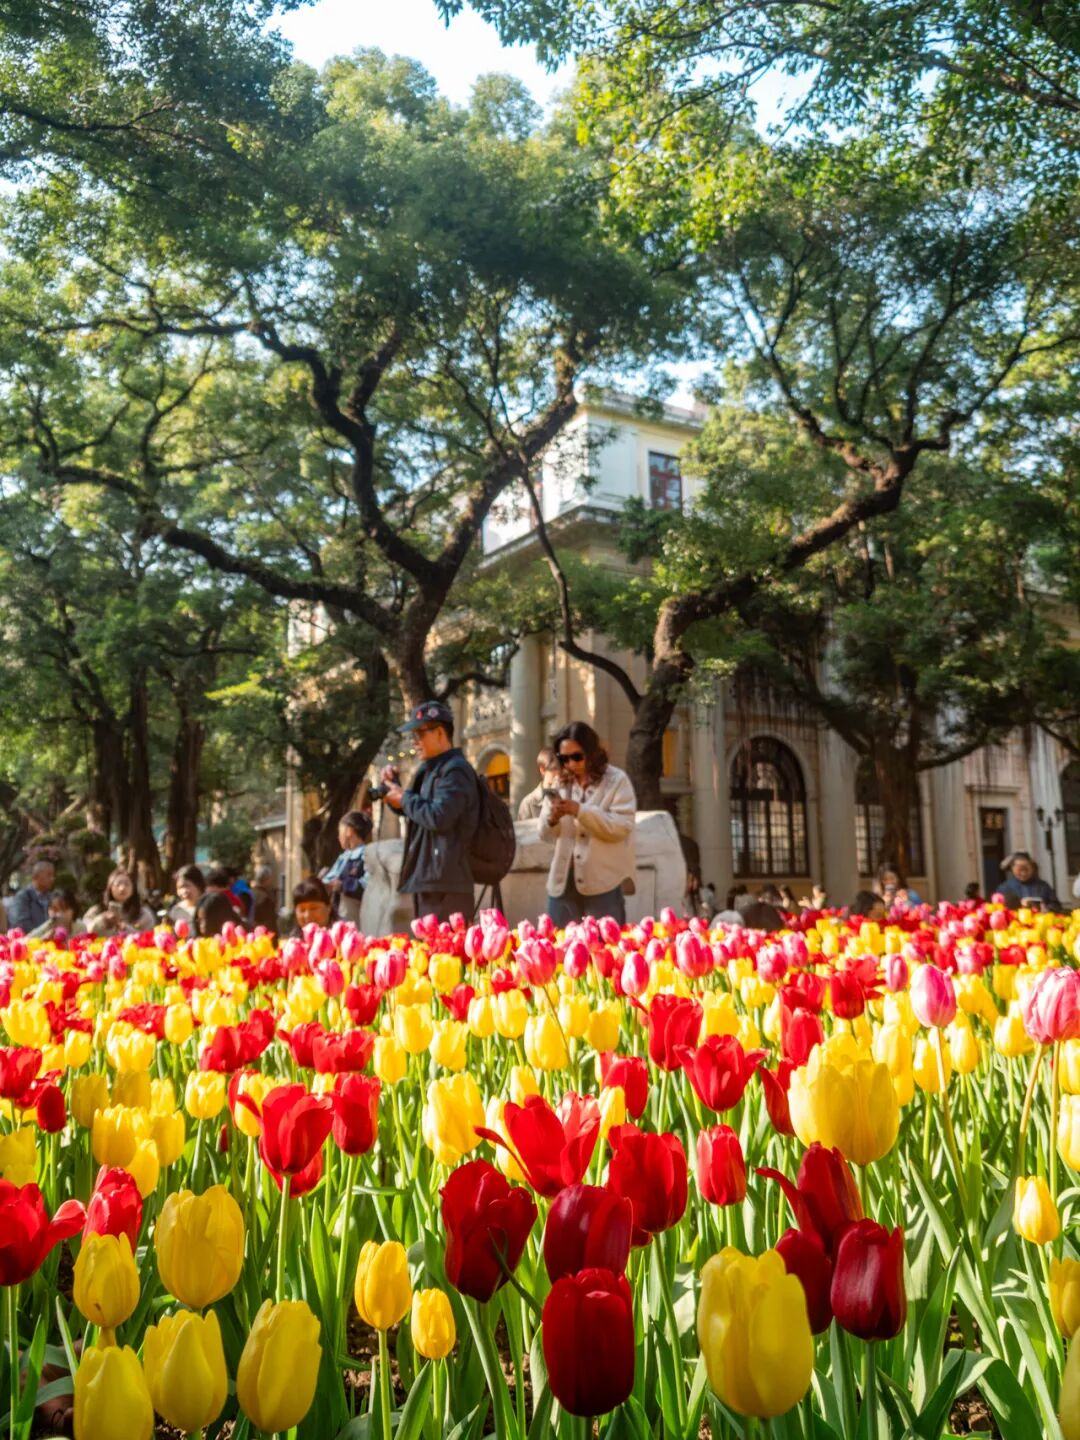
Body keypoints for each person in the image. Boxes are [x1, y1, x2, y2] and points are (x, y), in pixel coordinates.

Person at [382, 700, 480, 923]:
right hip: (431, 879)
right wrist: (394, 789)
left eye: (420, 734)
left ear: (440, 733)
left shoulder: (455, 770)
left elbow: (439, 816)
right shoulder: (433, 769)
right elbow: (420, 813)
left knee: (447, 945)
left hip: (447, 883)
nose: (414, 742)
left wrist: (404, 798)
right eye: (413, 736)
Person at [539, 721, 636, 926]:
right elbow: (544, 834)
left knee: (605, 944)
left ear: (591, 752)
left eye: (577, 757)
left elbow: (621, 826)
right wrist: (552, 819)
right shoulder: (560, 781)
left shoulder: (617, 780)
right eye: (564, 758)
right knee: (558, 943)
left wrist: (580, 811)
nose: (571, 764)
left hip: (603, 885)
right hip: (562, 883)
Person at [324, 810, 372, 924]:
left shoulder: (367, 855)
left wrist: (343, 885)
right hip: (339, 913)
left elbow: (368, 885)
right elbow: (329, 879)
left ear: (349, 831)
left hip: (356, 916)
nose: (338, 837)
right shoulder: (344, 857)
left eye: (340, 832)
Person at [82, 868, 157, 936]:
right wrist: (101, 921)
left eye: (127, 884)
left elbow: (148, 936)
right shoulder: (97, 910)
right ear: (110, 887)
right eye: (118, 884)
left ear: (133, 889)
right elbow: (85, 930)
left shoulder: (143, 913)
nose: (122, 888)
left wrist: (125, 928)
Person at [6, 860, 55, 933]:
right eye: (49, 875)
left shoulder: (51, 897)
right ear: (36, 876)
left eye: (53, 875)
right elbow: (20, 924)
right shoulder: (22, 897)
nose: (52, 879)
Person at [517, 748, 560, 822]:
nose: (559, 773)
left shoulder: (568, 795)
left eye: (562, 769)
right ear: (543, 770)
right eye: (555, 769)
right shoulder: (528, 803)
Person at [250, 864, 279, 934]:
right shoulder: (265, 897)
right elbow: (269, 918)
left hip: (253, 930)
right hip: (265, 932)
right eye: (269, 878)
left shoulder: (251, 892)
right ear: (266, 879)